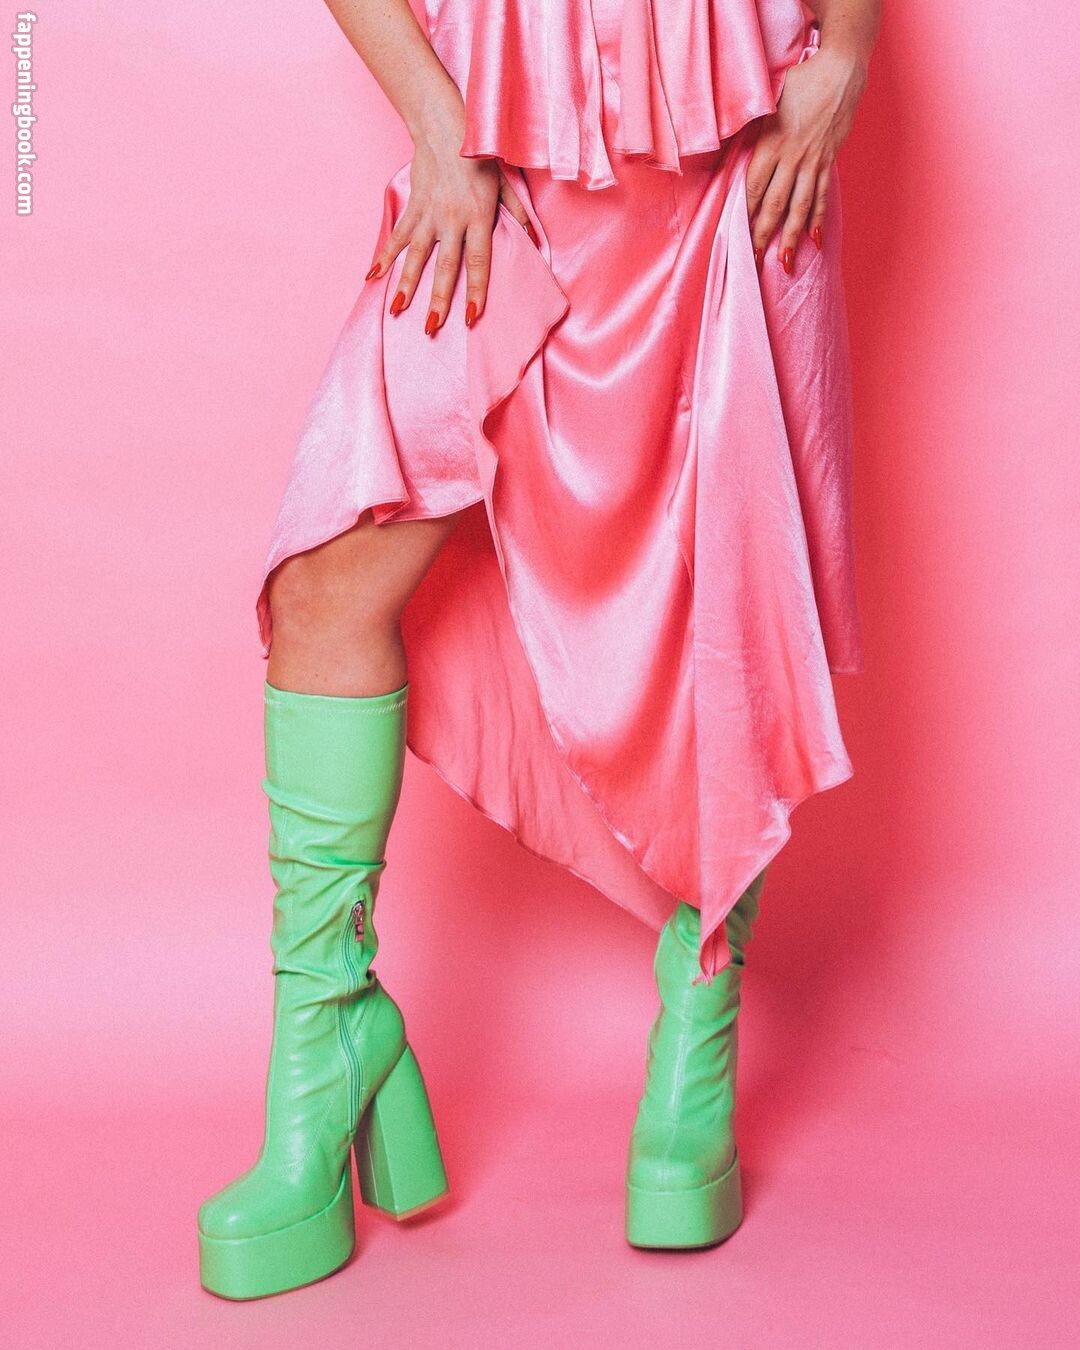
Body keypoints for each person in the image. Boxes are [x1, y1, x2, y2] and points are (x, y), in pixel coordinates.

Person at [197, 0, 879, 1299]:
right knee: (327, 582)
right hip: (502, 163)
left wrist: (844, 52)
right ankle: (329, 1039)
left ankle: (700, 1016)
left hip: (735, 157)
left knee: (719, 598)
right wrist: (437, 125)